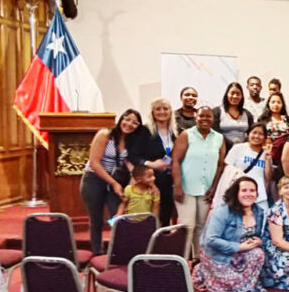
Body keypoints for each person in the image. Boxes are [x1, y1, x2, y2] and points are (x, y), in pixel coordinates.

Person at [192, 177, 267, 292]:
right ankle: (202, 270)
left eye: (252, 190)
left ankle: (245, 285)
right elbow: (210, 240)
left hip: (242, 253)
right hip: (219, 255)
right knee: (230, 283)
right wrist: (238, 247)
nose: (248, 194)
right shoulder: (222, 212)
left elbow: (258, 235)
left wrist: (258, 240)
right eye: (244, 190)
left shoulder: (259, 212)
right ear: (236, 193)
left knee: (258, 254)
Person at [81, 109, 143, 254]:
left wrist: (135, 179)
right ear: (121, 119)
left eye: (135, 122)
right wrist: (113, 183)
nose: (129, 124)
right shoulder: (105, 135)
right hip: (94, 180)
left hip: (115, 181)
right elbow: (94, 163)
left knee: (117, 216)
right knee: (96, 218)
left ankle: (118, 251)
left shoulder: (131, 141)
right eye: (127, 119)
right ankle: (97, 252)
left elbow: (129, 163)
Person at [172, 106, 226, 259]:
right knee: (187, 226)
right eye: (201, 116)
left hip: (206, 188)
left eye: (208, 116)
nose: (205, 119)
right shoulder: (186, 135)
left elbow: (220, 164)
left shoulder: (219, 138)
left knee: (201, 226)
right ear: (196, 117)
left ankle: (197, 259)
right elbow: (176, 161)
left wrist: (214, 187)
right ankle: (181, 260)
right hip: (185, 187)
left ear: (213, 119)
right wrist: (177, 185)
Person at [127, 97, 177, 226]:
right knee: (150, 218)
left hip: (169, 180)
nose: (162, 111)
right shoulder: (144, 131)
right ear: (152, 112)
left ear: (170, 111)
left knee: (166, 215)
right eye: (158, 109)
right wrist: (151, 164)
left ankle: (163, 242)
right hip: (150, 180)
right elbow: (133, 155)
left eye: (165, 108)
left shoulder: (176, 132)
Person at [223, 122, 273, 210]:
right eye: (254, 132)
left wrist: (268, 159)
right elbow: (227, 168)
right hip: (238, 191)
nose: (257, 136)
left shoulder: (266, 153)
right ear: (248, 134)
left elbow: (268, 177)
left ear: (265, 138)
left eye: (260, 134)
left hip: (259, 194)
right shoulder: (238, 148)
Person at [257, 92, 289, 165]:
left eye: (279, 102)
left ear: (282, 104)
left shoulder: (288, 120)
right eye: (273, 102)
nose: (276, 104)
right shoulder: (262, 120)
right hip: (267, 153)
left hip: (285, 154)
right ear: (268, 104)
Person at [212, 82, 254, 148]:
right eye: (232, 93)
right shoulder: (217, 112)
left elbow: (251, 133)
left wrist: (242, 146)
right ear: (227, 94)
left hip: (243, 149)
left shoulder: (247, 114)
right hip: (222, 148)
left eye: (238, 94)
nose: (235, 96)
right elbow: (215, 133)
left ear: (242, 96)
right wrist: (231, 145)